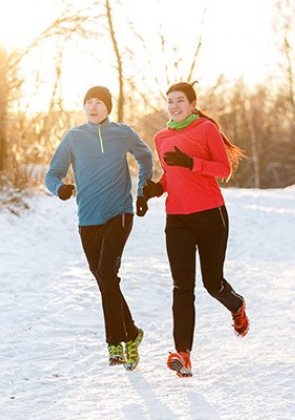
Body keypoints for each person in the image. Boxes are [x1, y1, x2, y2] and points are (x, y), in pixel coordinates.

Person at [142, 81, 249, 378]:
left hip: (210, 215)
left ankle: (237, 305)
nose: (174, 106)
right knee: (181, 287)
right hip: (177, 219)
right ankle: (183, 354)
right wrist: (154, 190)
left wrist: (191, 162)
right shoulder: (161, 137)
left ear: (191, 104)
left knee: (212, 283)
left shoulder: (205, 129)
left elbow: (223, 169)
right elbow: (169, 174)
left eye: (180, 101)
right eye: (170, 101)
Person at [45, 86, 153, 371]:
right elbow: (51, 174)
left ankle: (114, 344)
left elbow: (145, 157)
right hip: (88, 219)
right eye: (88, 102)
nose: (93, 107)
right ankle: (132, 333)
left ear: (108, 107)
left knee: (106, 273)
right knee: (106, 280)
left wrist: (142, 191)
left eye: (99, 102)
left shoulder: (123, 133)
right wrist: (60, 189)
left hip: (119, 213)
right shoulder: (74, 137)